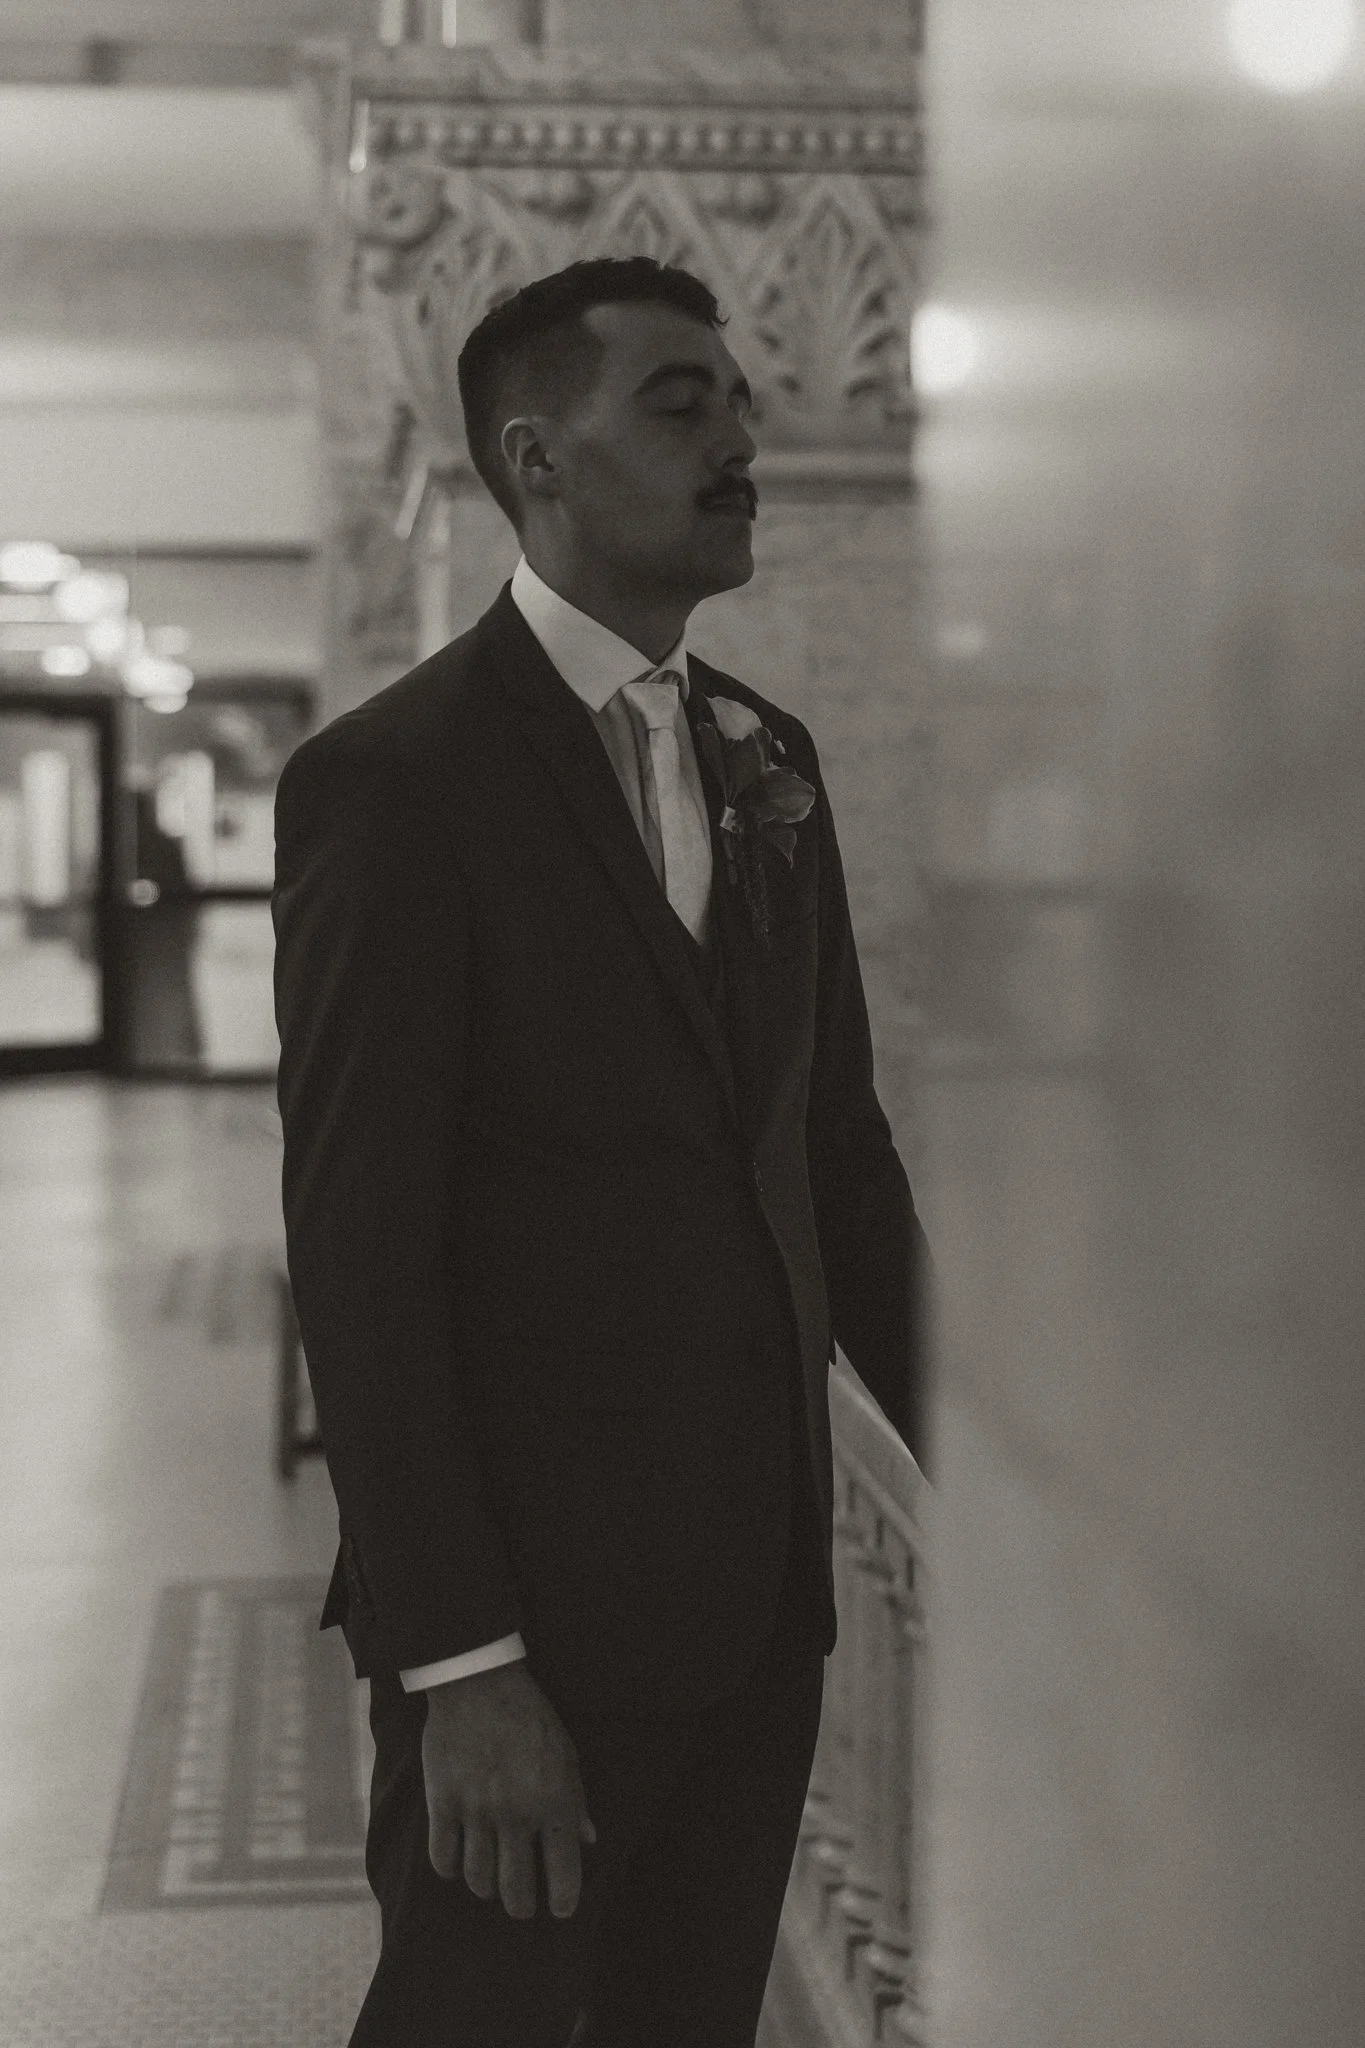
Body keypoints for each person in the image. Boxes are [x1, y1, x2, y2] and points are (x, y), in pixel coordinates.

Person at [272, 255, 932, 2048]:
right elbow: (360, 1245)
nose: (740, 440)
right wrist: (464, 1661)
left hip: (757, 1601)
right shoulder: (396, 784)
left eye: (738, 400)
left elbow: (836, 1156)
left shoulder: (766, 761)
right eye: (680, 402)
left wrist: (994, 1505)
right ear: (535, 456)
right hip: (534, 1622)